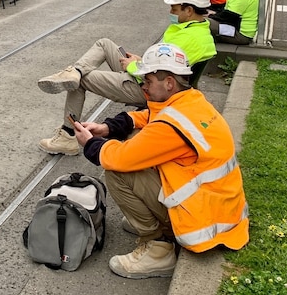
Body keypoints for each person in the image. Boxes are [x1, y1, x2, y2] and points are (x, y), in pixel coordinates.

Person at [71, 43, 249, 279]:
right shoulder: (190, 100)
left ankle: (158, 247)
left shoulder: (171, 127)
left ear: (169, 83)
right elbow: (152, 116)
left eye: (148, 81)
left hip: (201, 221)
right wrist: (109, 127)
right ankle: (154, 222)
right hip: (216, 207)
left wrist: (90, 142)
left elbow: (118, 158)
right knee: (134, 140)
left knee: (116, 172)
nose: (143, 86)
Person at [37, 0, 216, 156]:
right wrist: (141, 60)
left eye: (174, 9)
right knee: (104, 44)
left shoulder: (188, 39)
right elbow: (165, 67)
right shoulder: (196, 30)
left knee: (81, 81)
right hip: (150, 77)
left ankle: (67, 136)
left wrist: (135, 66)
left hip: (146, 87)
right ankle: (75, 71)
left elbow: (159, 79)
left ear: (189, 10)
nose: (170, 12)